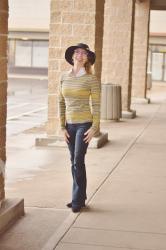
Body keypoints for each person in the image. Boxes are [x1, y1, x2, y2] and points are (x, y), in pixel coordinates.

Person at [58, 43, 101, 213]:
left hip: (84, 124)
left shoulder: (91, 79)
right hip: (69, 125)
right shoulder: (63, 77)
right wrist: (62, 127)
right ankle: (80, 197)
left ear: (88, 58)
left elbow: (96, 105)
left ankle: (76, 201)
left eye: (84, 53)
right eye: (77, 52)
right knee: (73, 161)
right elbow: (60, 102)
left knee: (77, 159)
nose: (80, 55)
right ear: (72, 56)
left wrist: (94, 128)